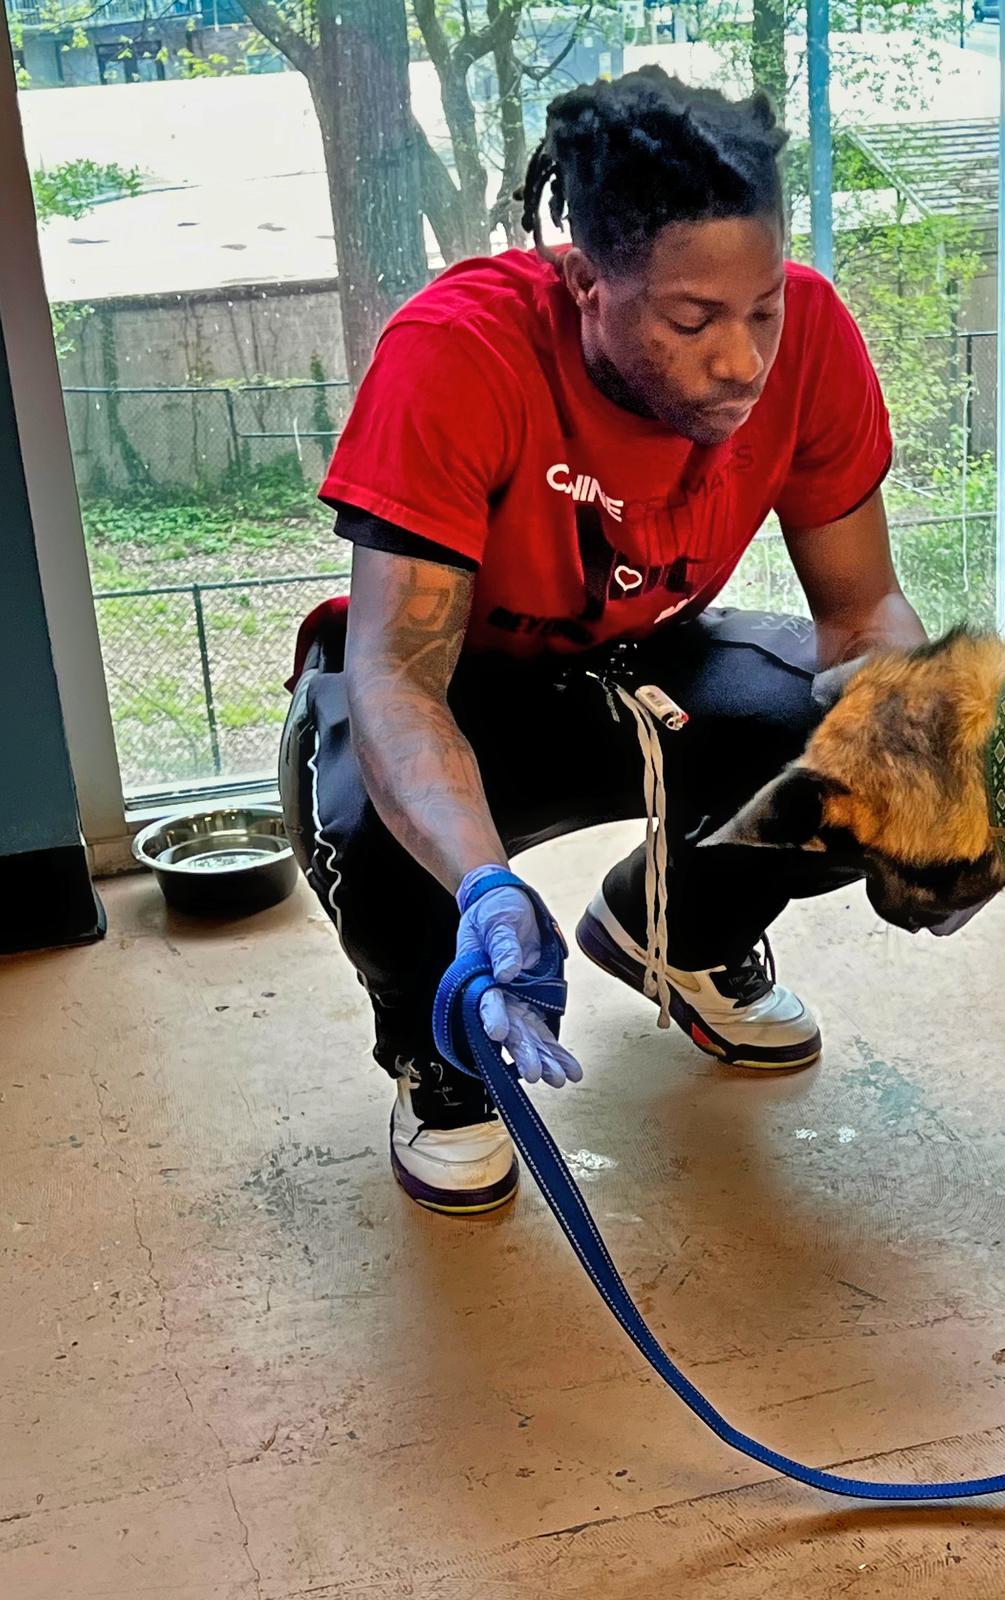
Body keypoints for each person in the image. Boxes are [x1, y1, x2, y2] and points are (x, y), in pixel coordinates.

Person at [279, 67, 927, 1216]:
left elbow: (863, 614)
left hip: (634, 660)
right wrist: (483, 884)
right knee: (378, 828)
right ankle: (445, 1061)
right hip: (451, 689)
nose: (744, 358)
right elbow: (398, 678)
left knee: (856, 747)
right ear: (585, 281)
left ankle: (675, 931)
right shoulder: (456, 354)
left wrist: (927, 766)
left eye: (762, 308)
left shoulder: (811, 335)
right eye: (692, 320)